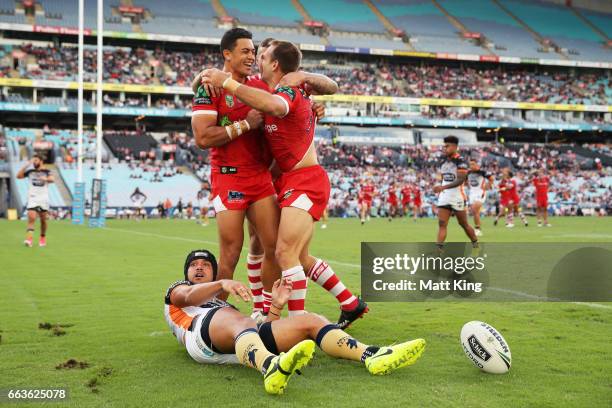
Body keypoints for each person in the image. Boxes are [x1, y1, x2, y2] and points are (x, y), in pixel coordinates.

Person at [198, 35, 367, 326]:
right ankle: (349, 303)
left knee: (284, 253)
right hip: (277, 179)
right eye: (250, 52)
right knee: (295, 256)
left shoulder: (286, 91)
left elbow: (282, 104)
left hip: (301, 181)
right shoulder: (266, 89)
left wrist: (302, 76)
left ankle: (294, 323)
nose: (255, 59)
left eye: (260, 55)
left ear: (274, 63)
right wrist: (208, 79)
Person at [164, 249, 427, 395]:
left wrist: (277, 305)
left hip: (230, 337)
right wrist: (221, 283)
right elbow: (187, 296)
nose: (199, 268)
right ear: (186, 272)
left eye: (206, 265)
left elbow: (261, 330)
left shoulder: (224, 306)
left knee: (310, 321)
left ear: (213, 270)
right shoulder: (178, 290)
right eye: (194, 265)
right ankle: (270, 368)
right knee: (237, 319)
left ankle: (370, 355)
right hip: (200, 340)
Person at [432, 136, 478, 251]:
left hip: (457, 196)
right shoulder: (442, 160)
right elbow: (445, 178)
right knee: (442, 224)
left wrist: (443, 187)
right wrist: (440, 187)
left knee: (463, 224)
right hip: (444, 197)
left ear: (455, 147)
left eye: (447, 146)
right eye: (444, 146)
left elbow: (460, 180)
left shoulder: (460, 161)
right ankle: (438, 250)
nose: (444, 148)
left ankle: (475, 244)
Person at [17, 155, 53, 247]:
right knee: (32, 217)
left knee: (43, 221)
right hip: (33, 198)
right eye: (33, 161)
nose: (34, 162)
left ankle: (42, 237)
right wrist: (27, 165)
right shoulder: (30, 171)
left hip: (43, 199)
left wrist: (46, 179)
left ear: (41, 161)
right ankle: (29, 240)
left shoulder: (47, 171)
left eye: (36, 160)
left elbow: (52, 179)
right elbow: (18, 176)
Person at [466, 160, 493, 236]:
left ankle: (477, 229)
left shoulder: (482, 172)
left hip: (480, 193)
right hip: (472, 193)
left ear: (477, 165)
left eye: (473, 164)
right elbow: (465, 180)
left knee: (475, 209)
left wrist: (487, 186)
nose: (471, 166)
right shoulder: (468, 172)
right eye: (470, 164)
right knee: (475, 212)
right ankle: (478, 228)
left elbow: (491, 178)